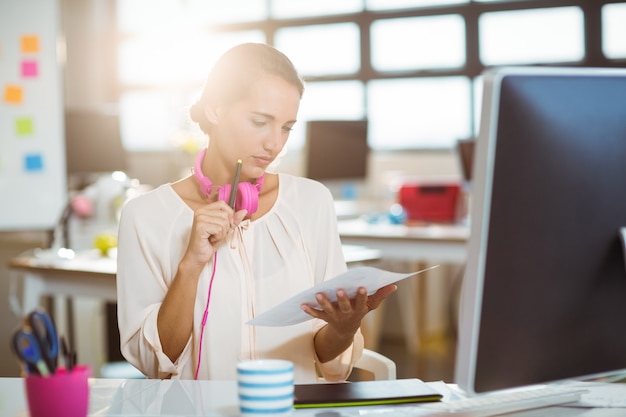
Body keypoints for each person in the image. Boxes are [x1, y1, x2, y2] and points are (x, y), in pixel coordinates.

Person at [116, 42, 396, 382]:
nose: (275, 144)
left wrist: (345, 327)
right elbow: (153, 363)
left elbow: (329, 364)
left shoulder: (311, 202)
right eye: (260, 122)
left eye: (286, 127)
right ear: (216, 110)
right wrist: (190, 265)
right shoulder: (145, 216)